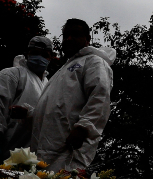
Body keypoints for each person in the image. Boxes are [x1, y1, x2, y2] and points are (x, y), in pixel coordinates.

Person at [29, 19, 115, 171]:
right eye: (65, 35)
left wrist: (83, 128)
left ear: (87, 40)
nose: (68, 39)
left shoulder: (94, 61)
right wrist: (30, 113)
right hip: (45, 149)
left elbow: (99, 97)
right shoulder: (63, 69)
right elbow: (54, 106)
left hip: (69, 148)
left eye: (75, 34)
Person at [0, 36, 53, 162]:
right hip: (5, 150)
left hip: (31, 158)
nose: (39, 58)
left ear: (50, 58)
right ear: (27, 54)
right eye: (35, 53)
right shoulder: (11, 74)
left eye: (44, 54)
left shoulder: (48, 84)